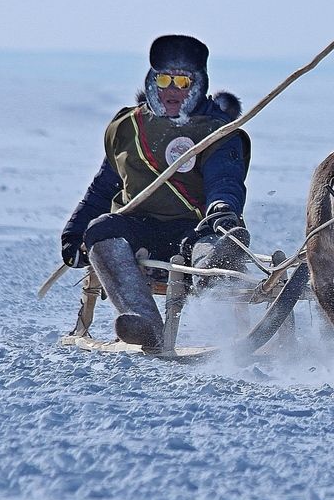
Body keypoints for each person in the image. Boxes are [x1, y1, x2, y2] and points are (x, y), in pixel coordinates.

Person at [60, 35, 251, 350]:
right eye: (164, 79)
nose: (172, 89)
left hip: (196, 225)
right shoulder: (129, 129)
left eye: (182, 80)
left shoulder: (217, 131)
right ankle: (143, 322)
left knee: (211, 241)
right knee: (101, 231)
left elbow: (225, 178)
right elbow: (104, 185)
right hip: (140, 228)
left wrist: (221, 207)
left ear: (198, 85)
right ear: (152, 81)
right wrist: (75, 230)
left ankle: (212, 270)